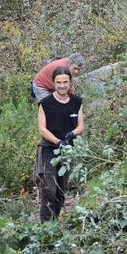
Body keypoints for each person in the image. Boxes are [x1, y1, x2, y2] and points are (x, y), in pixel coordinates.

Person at [36, 66, 84, 221]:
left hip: (68, 150)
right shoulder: (45, 103)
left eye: (65, 82)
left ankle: (54, 223)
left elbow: (80, 126)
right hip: (49, 149)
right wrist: (57, 141)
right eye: (59, 82)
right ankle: (44, 226)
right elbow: (42, 129)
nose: (62, 85)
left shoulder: (77, 102)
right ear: (54, 83)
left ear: (70, 83)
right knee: (49, 187)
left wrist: (72, 134)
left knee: (61, 189)